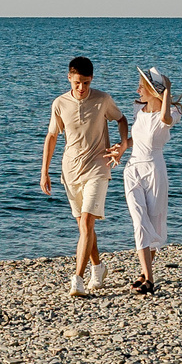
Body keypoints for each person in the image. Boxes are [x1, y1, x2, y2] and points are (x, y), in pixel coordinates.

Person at [40, 56, 128, 295]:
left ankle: (77, 278)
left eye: (87, 83)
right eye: (78, 82)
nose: (82, 88)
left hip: (98, 167)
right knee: (83, 227)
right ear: (69, 78)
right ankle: (98, 268)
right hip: (70, 171)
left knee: (88, 221)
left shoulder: (102, 100)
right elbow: (52, 137)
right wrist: (44, 172)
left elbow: (121, 119)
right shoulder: (59, 103)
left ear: (92, 80)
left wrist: (122, 144)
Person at [122, 67, 182, 292]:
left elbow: (165, 118)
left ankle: (145, 274)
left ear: (153, 90)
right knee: (139, 221)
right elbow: (135, 139)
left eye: (142, 86)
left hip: (155, 171)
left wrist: (166, 92)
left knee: (154, 223)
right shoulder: (139, 109)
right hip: (132, 169)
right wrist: (121, 147)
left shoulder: (171, 113)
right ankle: (150, 279)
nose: (138, 90)